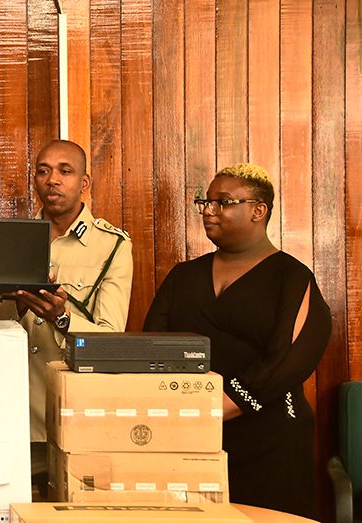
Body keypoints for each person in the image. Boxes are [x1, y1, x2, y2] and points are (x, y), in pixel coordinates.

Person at [143, 163, 331, 519]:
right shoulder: (183, 276)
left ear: (258, 210)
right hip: (187, 435)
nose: (209, 211)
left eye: (223, 202)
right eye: (206, 202)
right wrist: (175, 413)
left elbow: (287, 360)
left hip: (270, 440)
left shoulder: (291, 278)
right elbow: (153, 347)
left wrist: (215, 409)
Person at [0, 139, 133, 486]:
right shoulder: (10, 241)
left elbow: (112, 339)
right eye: (43, 171)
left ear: (84, 183)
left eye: (65, 171)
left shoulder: (112, 246)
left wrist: (61, 318)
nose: (52, 180)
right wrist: (16, 305)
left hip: (74, 415)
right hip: (10, 411)